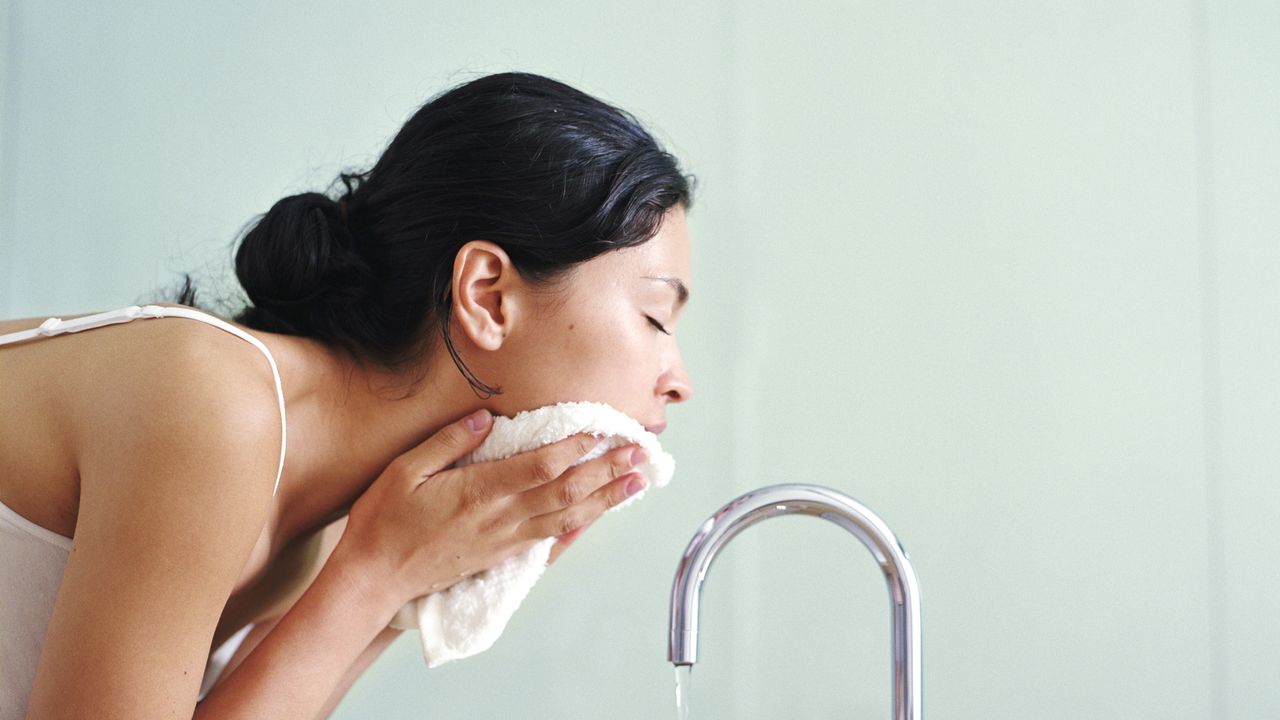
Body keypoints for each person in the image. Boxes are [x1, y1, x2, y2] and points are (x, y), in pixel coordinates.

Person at [0, 71, 693, 718]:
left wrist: (410, 586)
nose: (679, 381)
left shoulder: (339, 517)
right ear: (487, 295)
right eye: (657, 317)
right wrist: (376, 574)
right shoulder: (212, 402)